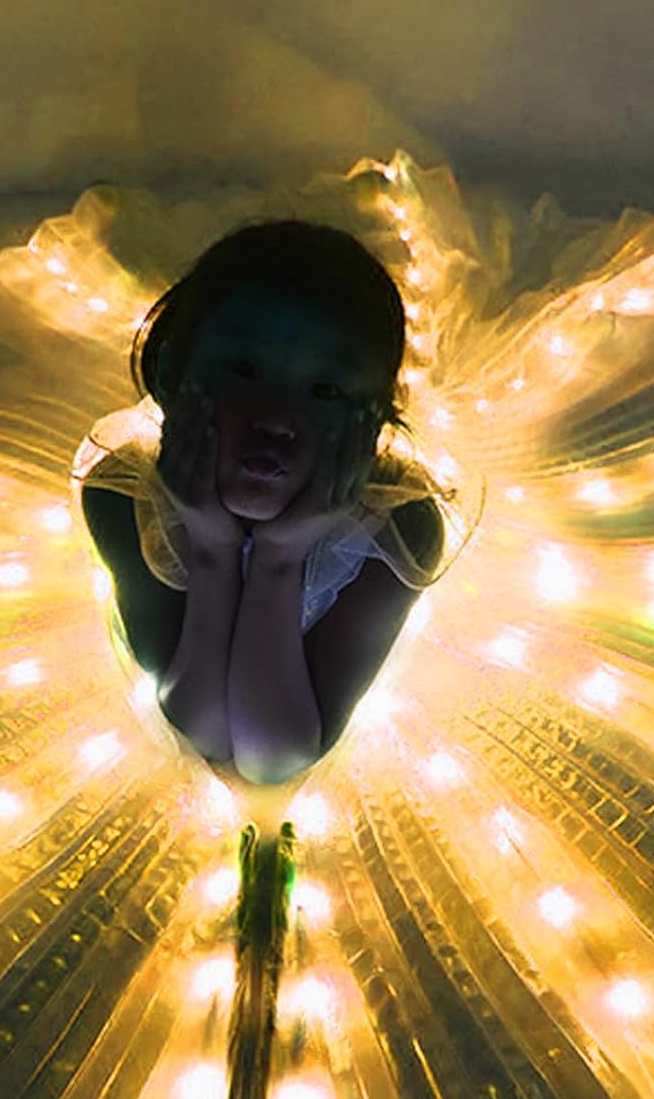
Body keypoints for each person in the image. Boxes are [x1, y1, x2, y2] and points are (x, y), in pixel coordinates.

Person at [76, 219, 448, 785]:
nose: (275, 420)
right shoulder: (122, 493)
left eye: (325, 391)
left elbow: (272, 758)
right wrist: (212, 549)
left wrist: (281, 557)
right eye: (244, 371)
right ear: (175, 373)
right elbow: (202, 736)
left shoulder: (401, 526)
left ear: (372, 420)